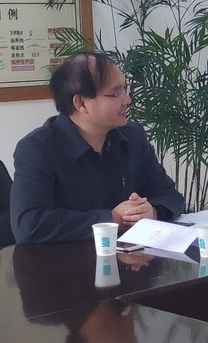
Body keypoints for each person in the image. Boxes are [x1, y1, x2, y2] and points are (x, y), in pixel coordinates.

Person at [10, 52, 184, 243]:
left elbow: (170, 195)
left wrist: (153, 211)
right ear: (81, 103)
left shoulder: (133, 136)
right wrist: (111, 219)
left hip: (131, 257)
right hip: (68, 260)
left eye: (125, 89)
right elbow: (28, 225)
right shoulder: (37, 149)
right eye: (115, 93)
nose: (127, 100)